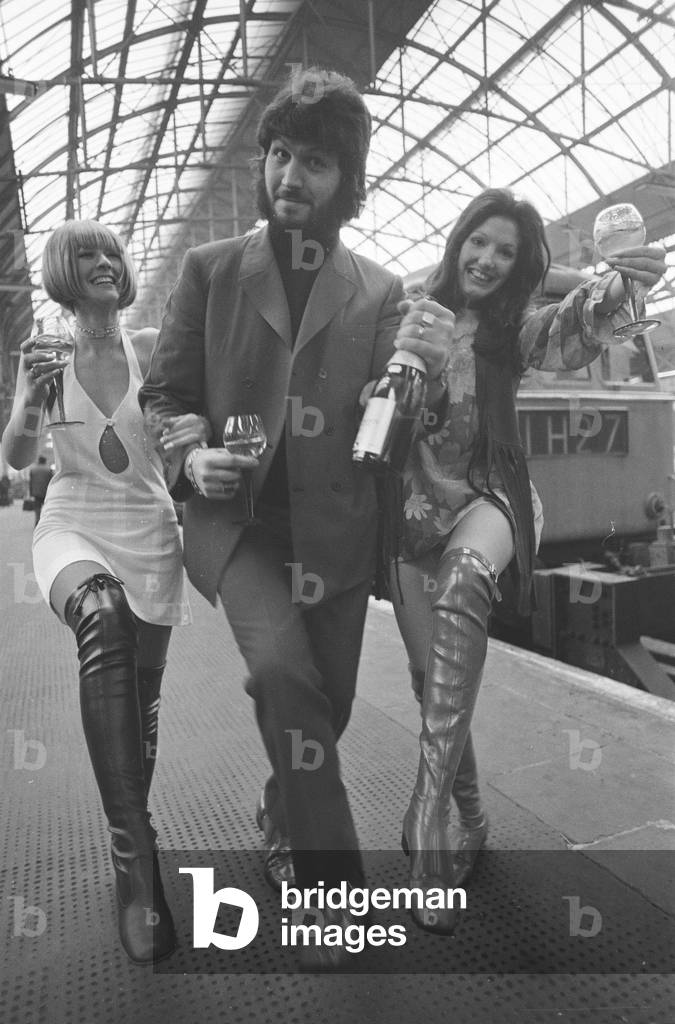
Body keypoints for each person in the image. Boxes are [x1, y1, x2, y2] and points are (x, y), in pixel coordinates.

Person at [139, 66, 452, 966]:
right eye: (278, 154)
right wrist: (187, 451)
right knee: (283, 672)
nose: (287, 175)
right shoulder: (209, 272)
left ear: (344, 183)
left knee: (328, 703)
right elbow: (165, 394)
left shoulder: (382, 293)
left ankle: (284, 812)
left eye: (313, 161)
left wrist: (423, 375)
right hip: (240, 532)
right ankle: (331, 893)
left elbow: (394, 425)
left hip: (339, 535)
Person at [390, 187, 667, 934]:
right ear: (458, 243)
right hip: (414, 517)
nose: (487, 259)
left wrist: (618, 286)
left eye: (505, 251)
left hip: (492, 498)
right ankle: (470, 819)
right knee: (431, 682)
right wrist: (399, 366)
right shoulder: (404, 314)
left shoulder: (512, 329)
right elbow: (369, 418)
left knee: (464, 582)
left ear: (517, 266)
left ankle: (424, 818)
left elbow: (568, 330)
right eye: (478, 242)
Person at [1, 220, 209, 965]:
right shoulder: (45, 356)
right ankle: (135, 864)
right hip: (72, 523)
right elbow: (19, 456)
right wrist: (29, 394)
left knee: (139, 708)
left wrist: (199, 444)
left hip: (151, 533)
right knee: (102, 619)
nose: (102, 262)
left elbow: (187, 431)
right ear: (62, 269)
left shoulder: (151, 347)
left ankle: (131, 821)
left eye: (110, 253)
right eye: (85, 253)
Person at [28, 455, 53, 524]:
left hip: (36, 492)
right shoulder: (48, 470)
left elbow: (31, 482)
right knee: (46, 507)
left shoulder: (33, 470)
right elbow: (51, 481)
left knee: (37, 507)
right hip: (46, 492)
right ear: (45, 461)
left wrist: (31, 492)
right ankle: (44, 521)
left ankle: (37, 520)